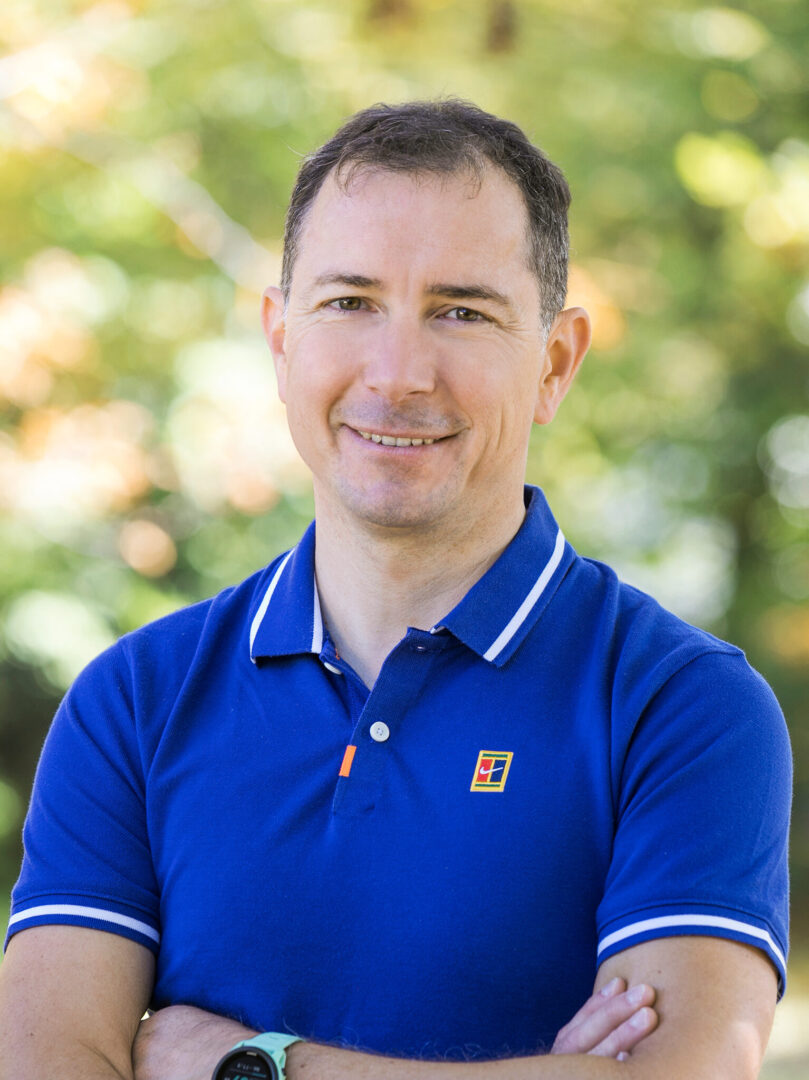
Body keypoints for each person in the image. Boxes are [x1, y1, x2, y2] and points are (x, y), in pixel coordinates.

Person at [0, 100, 791, 1080]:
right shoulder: (134, 702)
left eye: (461, 312)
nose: (399, 372)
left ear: (554, 363)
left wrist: (248, 1064)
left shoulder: (680, 707)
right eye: (349, 303)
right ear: (280, 339)